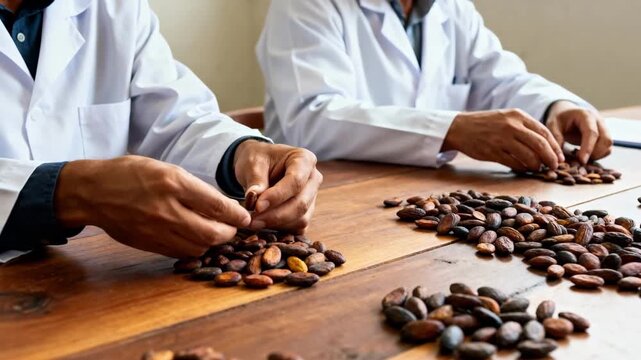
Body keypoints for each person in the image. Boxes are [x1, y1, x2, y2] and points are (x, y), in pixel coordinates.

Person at [0, 0, 322, 262]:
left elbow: (176, 118)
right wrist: (67, 191)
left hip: (86, 283)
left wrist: (242, 152)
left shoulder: (115, 7)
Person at [257, 0, 613, 172]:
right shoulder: (306, 5)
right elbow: (310, 120)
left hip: (425, 194)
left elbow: (498, 77)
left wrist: (556, 106)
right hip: (330, 200)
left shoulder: (450, 8)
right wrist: (452, 130)